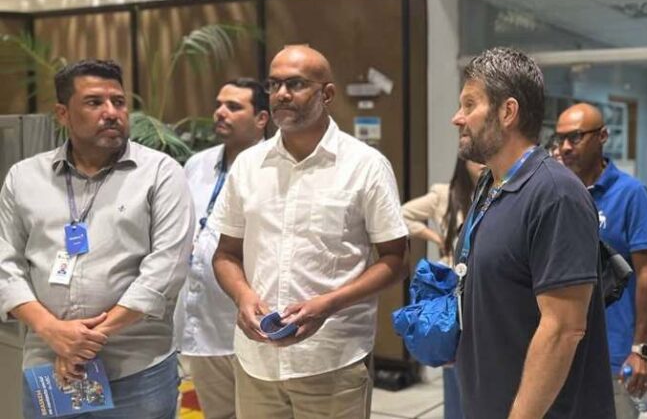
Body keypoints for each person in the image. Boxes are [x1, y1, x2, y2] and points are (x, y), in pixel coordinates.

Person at [209, 45, 409, 419]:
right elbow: (226, 254)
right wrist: (242, 295)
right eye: (274, 84)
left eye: (296, 84)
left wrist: (329, 304)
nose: (282, 94)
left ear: (327, 94)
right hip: (257, 362)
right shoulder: (248, 165)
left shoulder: (365, 166)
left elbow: (396, 260)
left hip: (332, 358)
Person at [0, 59, 195, 419]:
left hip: (137, 369)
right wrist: (52, 331)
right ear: (63, 113)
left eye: (118, 102)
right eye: (94, 102)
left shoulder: (160, 173)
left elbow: (166, 268)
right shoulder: (24, 177)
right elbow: (5, 264)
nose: (111, 112)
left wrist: (82, 343)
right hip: (49, 363)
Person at [452, 47, 615, 419]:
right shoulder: (490, 185)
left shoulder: (556, 194)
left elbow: (564, 328)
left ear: (507, 112)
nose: (457, 118)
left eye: (469, 105)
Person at [173, 78, 270, 419]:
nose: (220, 112)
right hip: (201, 321)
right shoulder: (196, 164)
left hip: (250, 321)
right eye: (219, 104)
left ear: (261, 119)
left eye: (233, 106)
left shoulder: (273, 169)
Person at [555, 103, 647, 419]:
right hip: (560, 344)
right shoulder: (556, 191)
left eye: (575, 137)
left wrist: (641, 350)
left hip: (613, 349)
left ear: (602, 136)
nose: (565, 147)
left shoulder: (631, 193)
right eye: (560, 139)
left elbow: (646, 274)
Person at [400, 156, 482, 419]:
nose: (481, 163)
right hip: (453, 291)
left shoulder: (502, 190)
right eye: (475, 158)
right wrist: (436, 237)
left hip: (485, 291)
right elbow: (402, 214)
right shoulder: (444, 194)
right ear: (463, 162)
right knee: (454, 368)